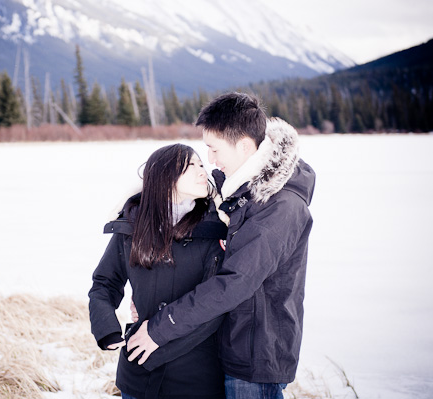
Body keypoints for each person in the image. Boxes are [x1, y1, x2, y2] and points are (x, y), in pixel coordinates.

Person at [126, 92, 316, 399]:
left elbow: (233, 283)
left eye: (214, 150)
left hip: (255, 356)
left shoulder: (278, 206)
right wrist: (150, 293)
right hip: (229, 344)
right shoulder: (242, 187)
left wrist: (160, 328)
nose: (211, 160)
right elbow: (186, 207)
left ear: (243, 146)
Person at [88, 144, 228, 399]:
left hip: (196, 377)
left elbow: (214, 305)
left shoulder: (216, 228)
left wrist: (154, 343)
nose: (202, 172)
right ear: (164, 175)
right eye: (191, 165)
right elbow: (105, 282)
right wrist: (106, 327)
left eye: (201, 165)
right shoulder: (131, 226)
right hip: (137, 376)